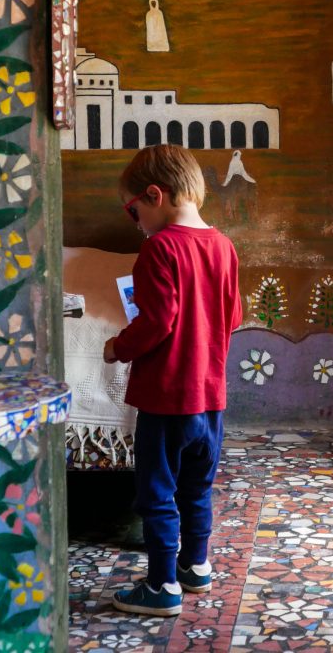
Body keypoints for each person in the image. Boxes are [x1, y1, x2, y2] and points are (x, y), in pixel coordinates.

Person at [103, 144, 243, 617]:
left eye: (133, 211)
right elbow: (235, 315)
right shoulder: (223, 245)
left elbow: (157, 321)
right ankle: (196, 566)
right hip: (211, 399)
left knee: (157, 492)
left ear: (155, 195)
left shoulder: (158, 248)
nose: (135, 221)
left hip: (165, 401)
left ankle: (162, 586)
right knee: (196, 488)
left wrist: (117, 347)